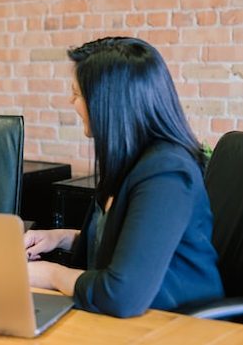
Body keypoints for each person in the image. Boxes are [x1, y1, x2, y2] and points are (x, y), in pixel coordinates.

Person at [24, 37, 224, 317]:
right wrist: (60, 238)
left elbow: (121, 294)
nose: (71, 102)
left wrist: (51, 275)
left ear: (108, 103)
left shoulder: (167, 174)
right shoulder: (130, 160)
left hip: (177, 323)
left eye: (77, 94)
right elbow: (126, 242)